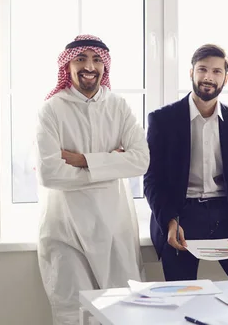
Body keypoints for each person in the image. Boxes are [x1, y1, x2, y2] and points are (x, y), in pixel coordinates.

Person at [35, 34, 149, 325]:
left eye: (97, 59)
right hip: (66, 231)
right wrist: (111, 166)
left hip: (115, 227)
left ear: (105, 66)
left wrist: (85, 160)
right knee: (73, 315)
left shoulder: (119, 107)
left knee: (124, 313)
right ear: (68, 65)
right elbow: (50, 174)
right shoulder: (51, 110)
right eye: (81, 59)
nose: (90, 66)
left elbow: (141, 160)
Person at [144, 43, 228, 281]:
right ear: (191, 73)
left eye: (217, 71)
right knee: (182, 299)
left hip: (225, 214)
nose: (209, 77)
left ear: (225, 79)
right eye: (202, 69)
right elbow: (152, 179)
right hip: (180, 215)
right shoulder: (162, 120)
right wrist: (169, 221)